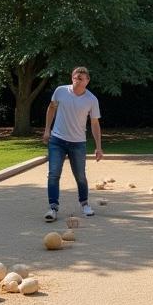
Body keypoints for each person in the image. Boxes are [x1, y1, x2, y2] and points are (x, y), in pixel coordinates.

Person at [42, 66, 103, 222]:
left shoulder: (91, 99)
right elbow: (51, 108)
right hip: (57, 140)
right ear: (72, 78)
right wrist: (47, 130)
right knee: (53, 174)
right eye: (76, 77)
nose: (77, 80)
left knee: (80, 176)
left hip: (78, 143)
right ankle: (53, 208)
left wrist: (98, 147)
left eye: (81, 78)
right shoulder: (61, 91)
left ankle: (84, 204)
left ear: (87, 81)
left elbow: (94, 123)